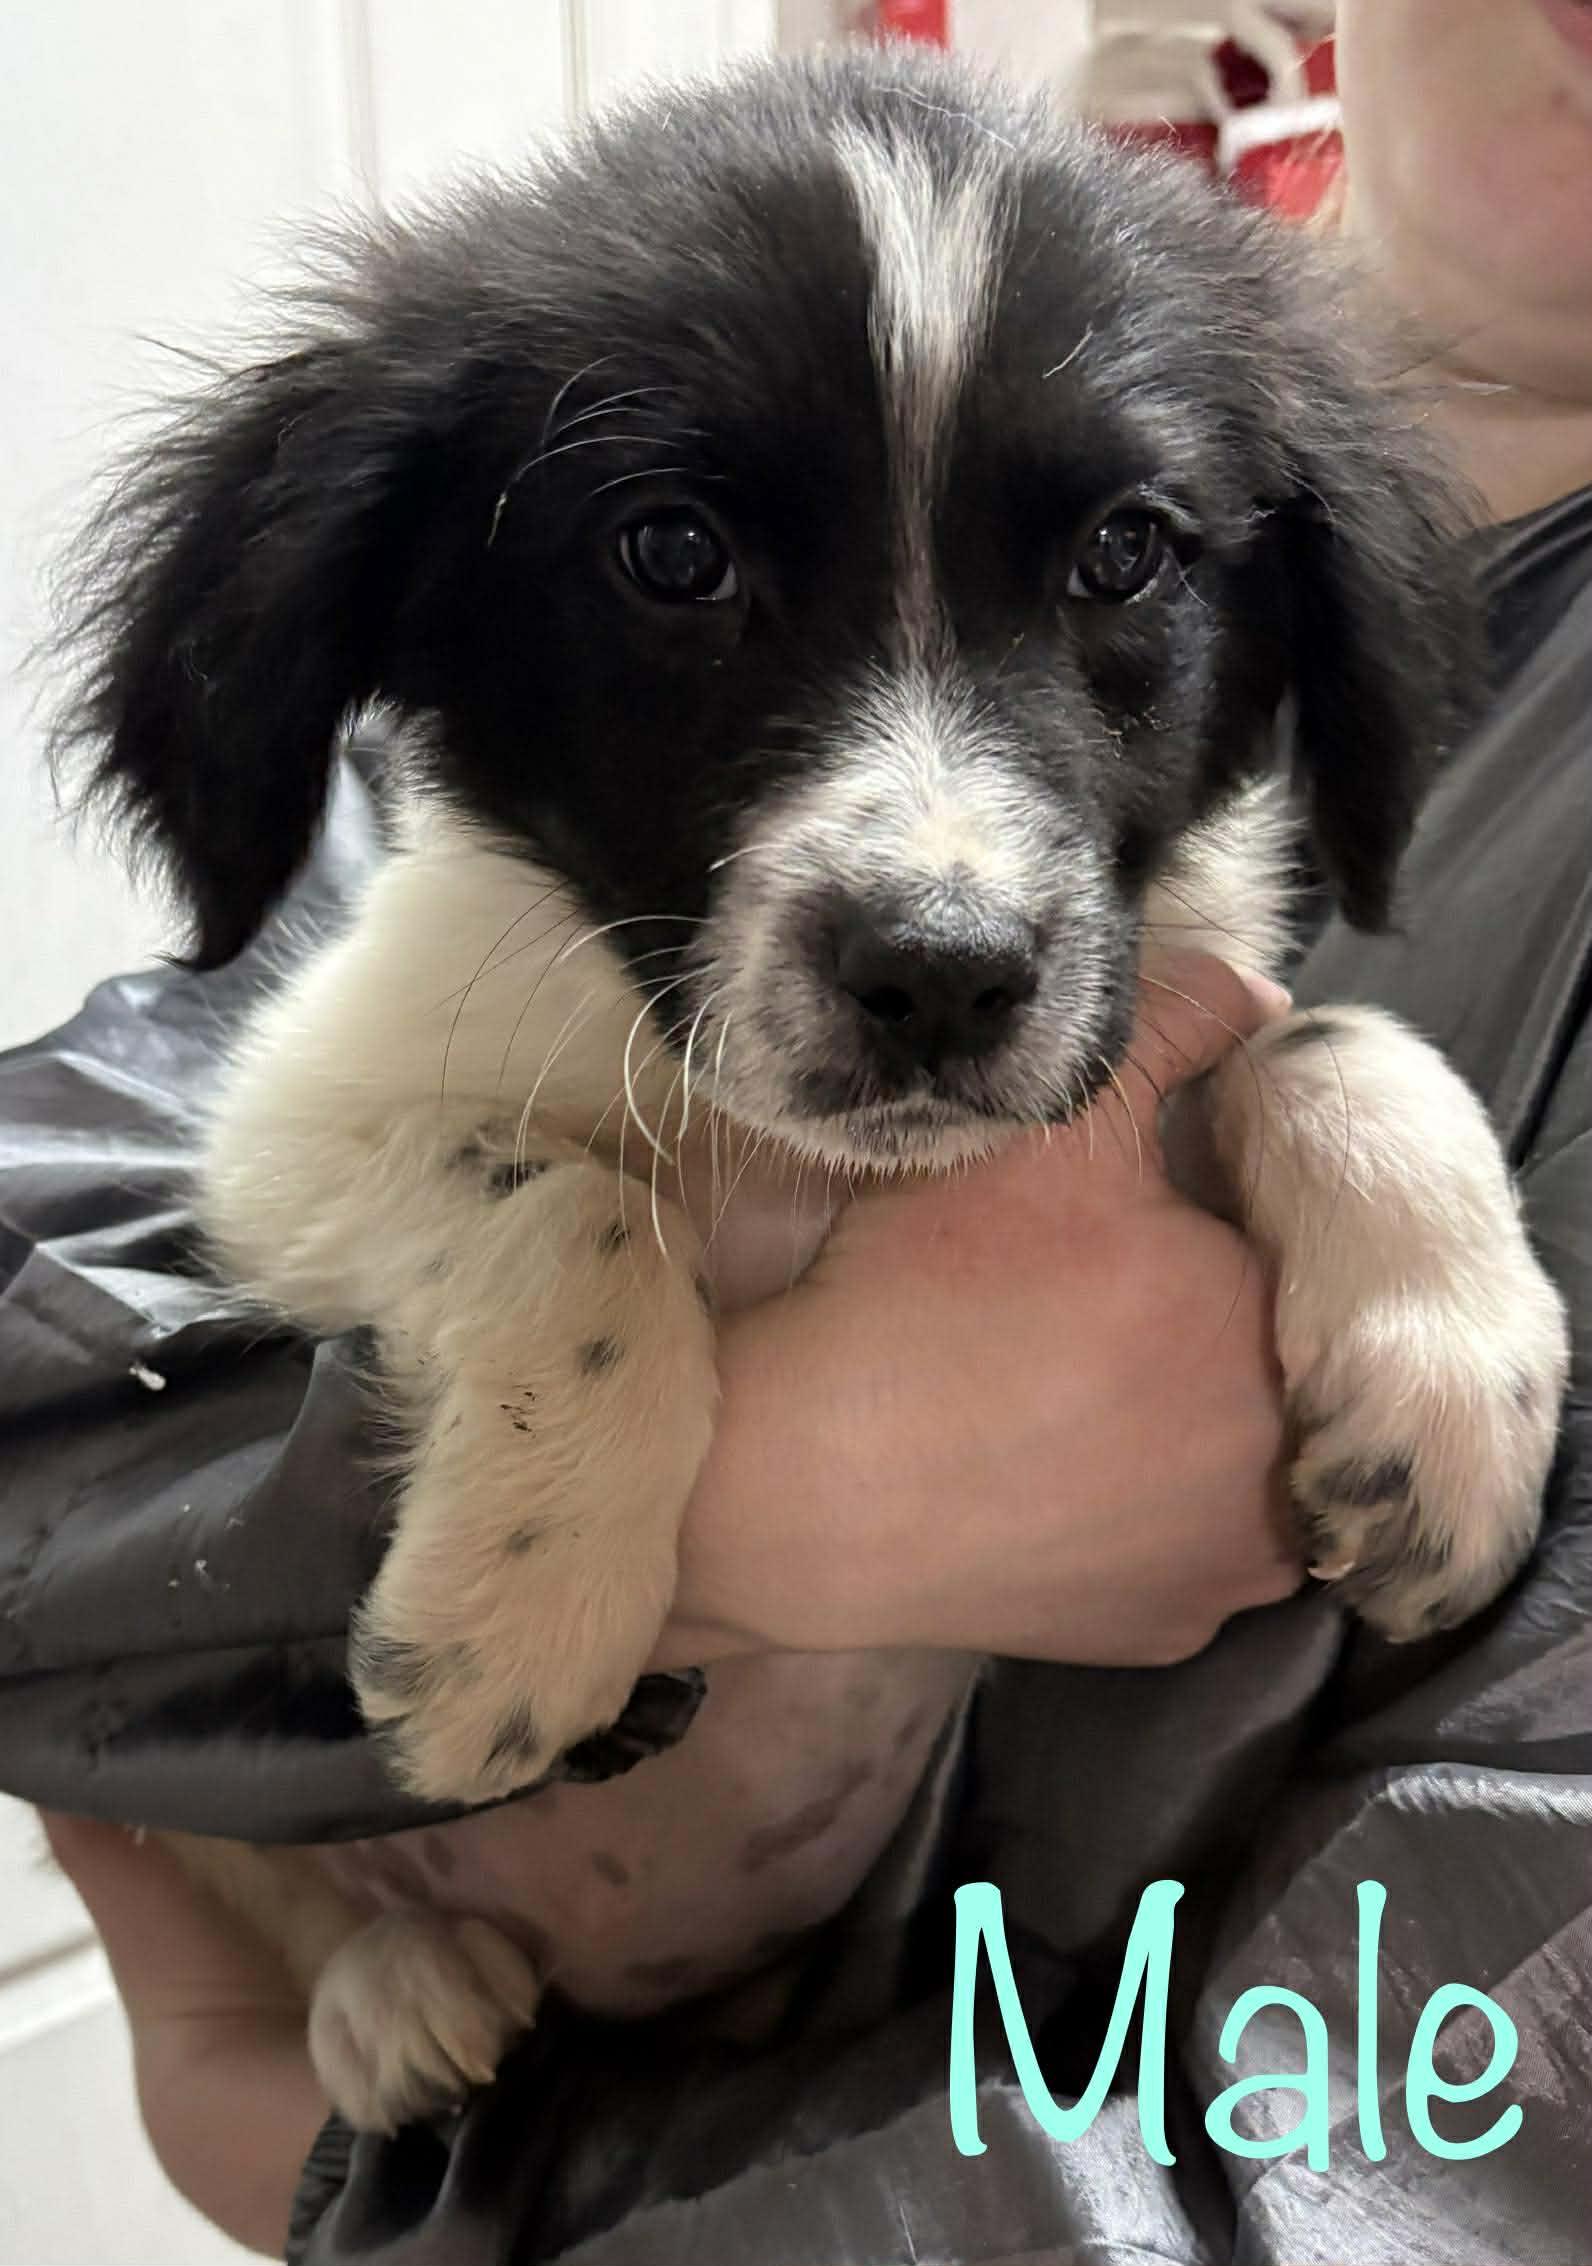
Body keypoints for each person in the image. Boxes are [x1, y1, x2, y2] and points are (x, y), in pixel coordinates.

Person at [16, 0, 1592, 2255]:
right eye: (674, 557)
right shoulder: (515, 889)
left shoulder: (1291, 639)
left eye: (1119, 562)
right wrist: (752, 1485)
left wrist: (312, 2159)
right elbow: (143, 1181)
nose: (941, 868)